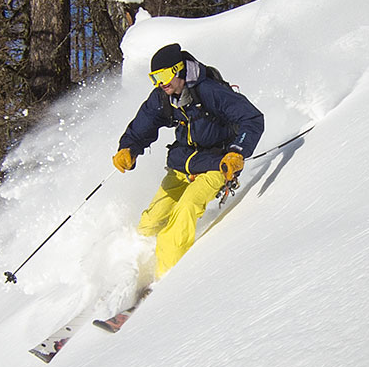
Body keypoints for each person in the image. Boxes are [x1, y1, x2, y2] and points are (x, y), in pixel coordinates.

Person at [113, 43, 264, 282]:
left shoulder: (209, 91)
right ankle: (134, 268)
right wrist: (128, 149)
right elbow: (144, 124)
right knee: (149, 223)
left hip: (216, 164)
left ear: (179, 70)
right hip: (182, 164)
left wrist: (237, 152)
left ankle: (167, 284)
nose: (161, 83)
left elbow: (252, 119)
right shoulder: (163, 97)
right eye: (155, 78)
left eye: (164, 76)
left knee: (184, 211)